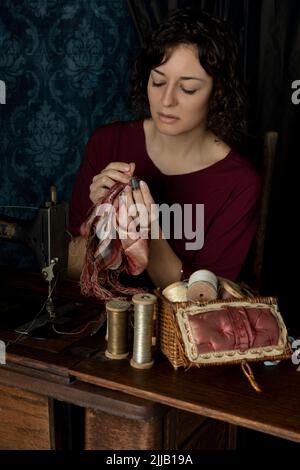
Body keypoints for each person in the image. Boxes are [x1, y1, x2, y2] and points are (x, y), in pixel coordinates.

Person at [68, 7, 261, 290]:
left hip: (177, 330)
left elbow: (202, 302)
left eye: (188, 89)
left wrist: (149, 233)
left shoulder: (239, 183)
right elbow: (71, 273)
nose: (166, 100)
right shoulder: (107, 143)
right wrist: (98, 219)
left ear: (217, 92)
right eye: (158, 82)